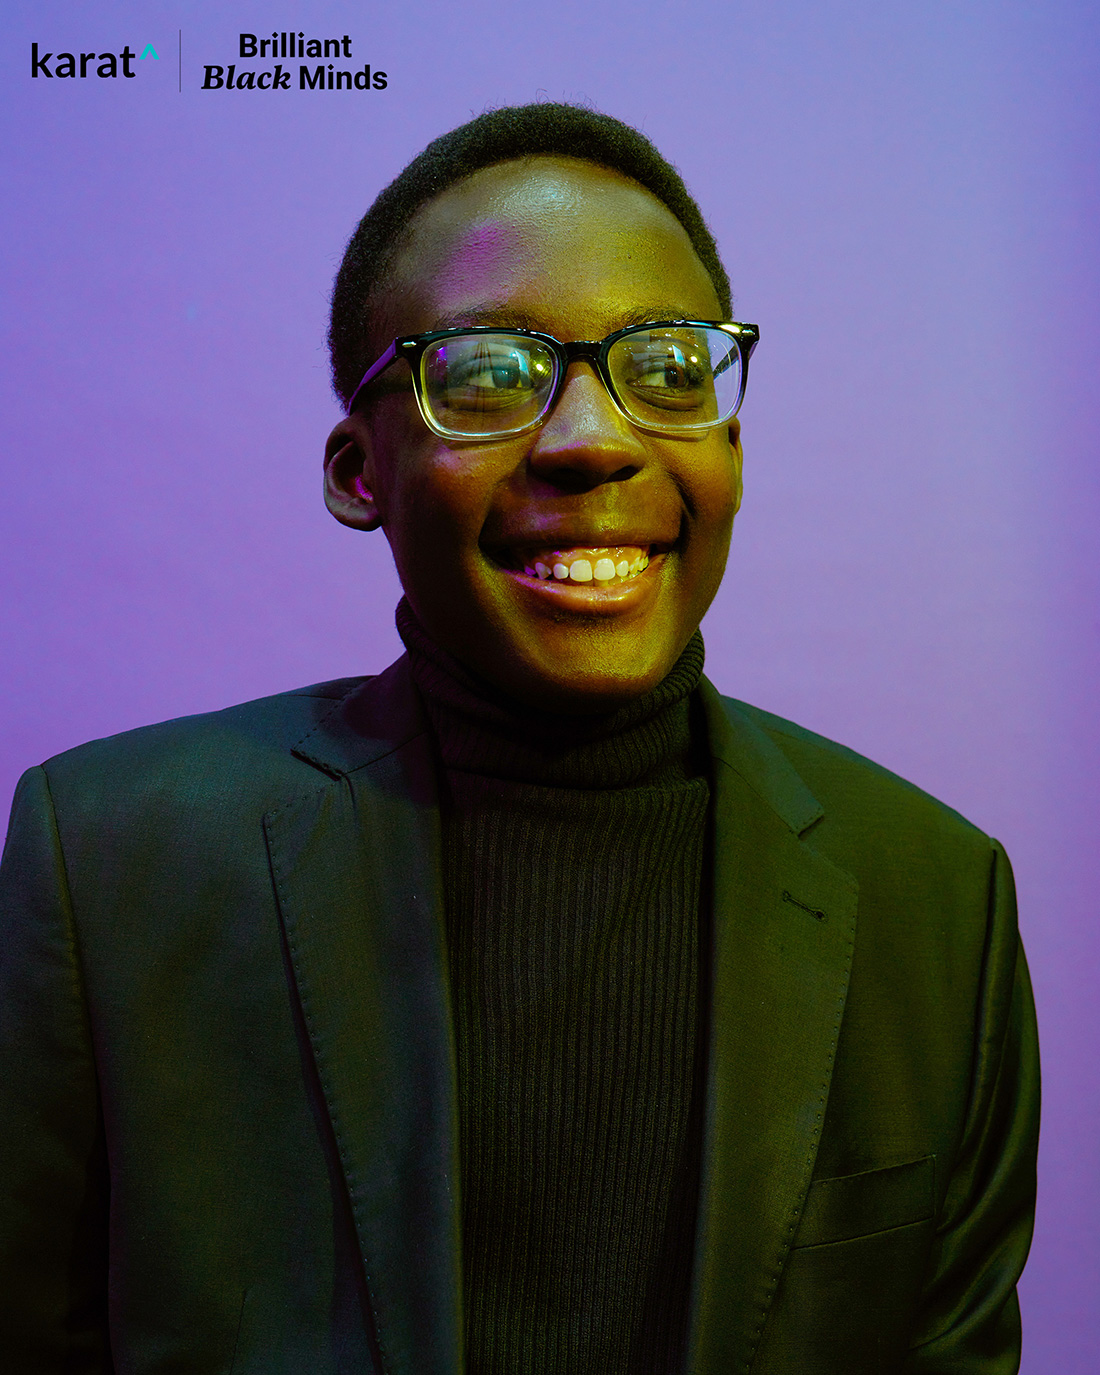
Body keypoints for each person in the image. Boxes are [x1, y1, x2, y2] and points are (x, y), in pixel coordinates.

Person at [0, 104, 1039, 1375]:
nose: (594, 440)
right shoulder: (110, 867)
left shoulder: (933, 900)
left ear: (728, 443)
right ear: (357, 471)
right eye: (488, 375)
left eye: (667, 369)